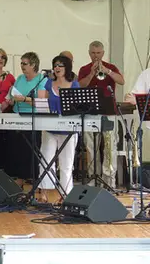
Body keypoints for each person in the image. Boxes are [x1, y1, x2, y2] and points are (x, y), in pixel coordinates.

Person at [78, 40, 125, 188]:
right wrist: (92, 73)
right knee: (91, 148)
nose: (96, 56)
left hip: (109, 112)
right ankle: (94, 178)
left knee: (110, 147)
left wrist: (108, 72)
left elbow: (122, 81)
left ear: (103, 53)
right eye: (93, 53)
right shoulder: (85, 69)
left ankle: (109, 180)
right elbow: (81, 85)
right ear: (89, 53)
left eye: (98, 53)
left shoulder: (110, 67)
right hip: (90, 113)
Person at [38, 55, 80, 203]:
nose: (57, 68)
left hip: (68, 129)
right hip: (50, 128)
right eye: (55, 65)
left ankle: (65, 195)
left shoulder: (74, 85)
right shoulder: (48, 83)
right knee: (46, 160)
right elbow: (40, 100)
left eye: (61, 65)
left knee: (66, 163)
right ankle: (43, 193)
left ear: (67, 68)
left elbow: (78, 108)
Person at [5, 52, 47, 188]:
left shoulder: (42, 80)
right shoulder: (20, 78)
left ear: (33, 65)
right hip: (17, 115)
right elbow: (13, 95)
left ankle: (32, 178)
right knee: (16, 148)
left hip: (33, 118)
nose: (22, 66)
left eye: (25, 63)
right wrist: (10, 100)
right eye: (21, 63)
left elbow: (41, 102)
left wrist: (23, 99)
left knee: (30, 149)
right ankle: (18, 179)